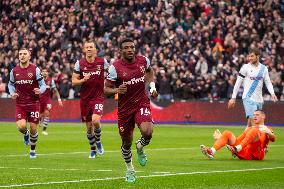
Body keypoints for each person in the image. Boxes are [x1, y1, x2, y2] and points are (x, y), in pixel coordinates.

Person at [104, 38, 158, 183]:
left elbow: (150, 72)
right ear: (121, 51)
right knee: (126, 143)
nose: (129, 50)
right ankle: (130, 169)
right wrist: (116, 89)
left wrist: (152, 87)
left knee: (147, 132)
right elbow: (105, 89)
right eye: (126, 47)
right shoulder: (115, 68)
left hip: (141, 103)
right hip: (124, 109)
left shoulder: (143, 61)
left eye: (132, 47)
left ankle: (140, 147)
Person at [72, 41, 109, 158]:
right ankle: (93, 149)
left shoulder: (102, 62)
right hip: (85, 99)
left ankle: (98, 141)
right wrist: (83, 80)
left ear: (95, 50)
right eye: (87, 47)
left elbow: (112, 74)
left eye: (91, 47)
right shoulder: (79, 63)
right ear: (84, 50)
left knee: (96, 121)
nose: (89, 49)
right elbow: (73, 81)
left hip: (98, 97)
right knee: (88, 128)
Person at [8, 48, 46, 158]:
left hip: (34, 104)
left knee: (34, 129)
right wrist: (12, 93)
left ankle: (32, 151)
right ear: (18, 56)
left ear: (29, 56)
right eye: (20, 54)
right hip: (20, 104)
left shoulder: (35, 70)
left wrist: (40, 90)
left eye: (25, 54)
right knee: (21, 126)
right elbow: (10, 85)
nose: (22, 56)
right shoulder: (14, 71)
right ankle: (25, 133)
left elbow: (43, 85)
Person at [228, 48, 278, 127]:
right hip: (248, 98)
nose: (249, 58)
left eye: (252, 56)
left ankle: (241, 140)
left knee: (250, 126)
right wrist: (233, 98)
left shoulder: (264, 69)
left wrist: (272, 93)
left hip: (259, 100)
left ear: (258, 56)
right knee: (255, 124)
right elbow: (238, 82)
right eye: (249, 56)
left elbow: (268, 82)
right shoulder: (245, 67)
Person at [200, 109, 276, 160]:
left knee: (254, 130)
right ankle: (212, 151)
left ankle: (237, 148)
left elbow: (273, 139)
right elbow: (239, 139)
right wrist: (223, 138)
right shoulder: (250, 128)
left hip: (257, 155)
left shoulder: (267, 128)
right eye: (254, 115)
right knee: (227, 133)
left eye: (257, 115)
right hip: (245, 152)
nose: (254, 116)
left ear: (263, 116)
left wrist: (269, 132)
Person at [39, 67, 63, 136]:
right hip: (39, 100)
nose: (44, 72)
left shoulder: (51, 80)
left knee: (47, 113)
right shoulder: (39, 80)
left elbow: (55, 90)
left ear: (48, 73)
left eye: (46, 71)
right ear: (41, 73)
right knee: (40, 115)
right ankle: (40, 120)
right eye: (43, 71)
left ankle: (44, 130)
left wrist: (59, 100)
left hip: (47, 100)